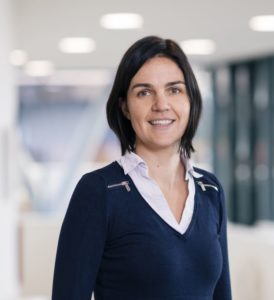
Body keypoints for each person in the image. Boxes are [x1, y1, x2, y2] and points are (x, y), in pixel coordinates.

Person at [52, 36, 232, 300]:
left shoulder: (210, 189)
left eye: (174, 90)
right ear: (125, 106)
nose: (161, 104)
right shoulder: (99, 191)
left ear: (190, 99)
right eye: (144, 92)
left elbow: (222, 295)